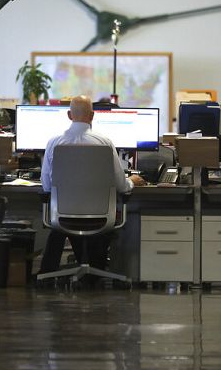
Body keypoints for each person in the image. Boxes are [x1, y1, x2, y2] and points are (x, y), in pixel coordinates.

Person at [37, 95, 145, 277]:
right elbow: (121, 186)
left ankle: (49, 273)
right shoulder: (105, 143)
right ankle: (97, 273)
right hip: (101, 218)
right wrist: (131, 181)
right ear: (93, 115)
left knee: (57, 230)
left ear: (69, 115)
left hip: (62, 217)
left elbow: (46, 186)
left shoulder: (54, 143)